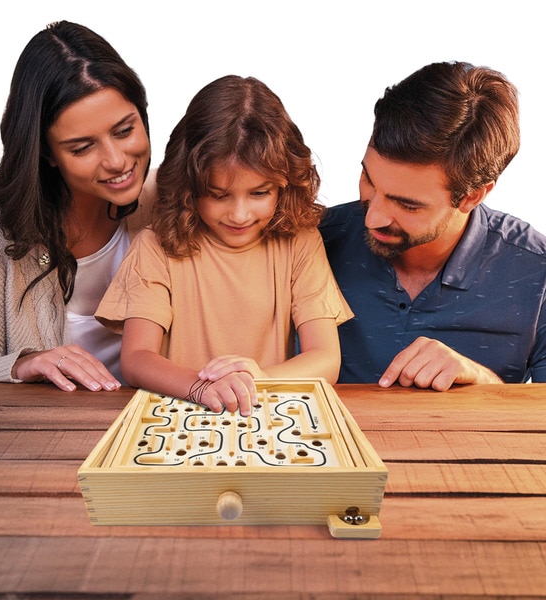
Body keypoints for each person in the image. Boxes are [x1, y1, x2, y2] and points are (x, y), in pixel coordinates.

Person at [96, 75, 352, 415]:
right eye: (218, 195)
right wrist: (202, 388)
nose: (240, 214)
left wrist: (257, 379)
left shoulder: (300, 244)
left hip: (265, 414)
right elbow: (137, 359)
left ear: (284, 185)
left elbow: (325, 359)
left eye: (260, 193)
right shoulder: (155, 245)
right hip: (176, 416)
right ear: (189, 186)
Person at [0, 21, 153, 392]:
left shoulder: (169, 199)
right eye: (82, 147)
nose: (117, 161)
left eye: (125, 130)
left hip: (153, 434)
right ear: (46, 152)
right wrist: (22, 363)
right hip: (44, 440)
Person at [320, 61, 546, 391]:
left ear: (472, 196)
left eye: (407, 204)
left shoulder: (536, 273)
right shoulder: (313, 242)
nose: (373, 218)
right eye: (369, 180)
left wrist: (480, 381)